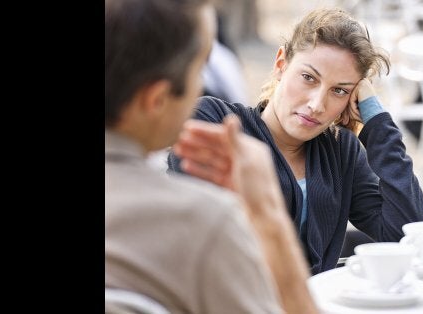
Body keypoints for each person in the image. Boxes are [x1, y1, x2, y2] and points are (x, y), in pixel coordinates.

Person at [168, 7, 423, 275]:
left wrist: (376, 124)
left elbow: (409, 236)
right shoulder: (214, 120)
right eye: (308, 78)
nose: (317, 104)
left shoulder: (341, 151)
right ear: (281, 64)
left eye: (339, 90)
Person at [105, 0, 317, 313]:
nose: (203, 85)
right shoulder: (205, 224)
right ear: (157, 99)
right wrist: (268, 215)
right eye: (200, 66)